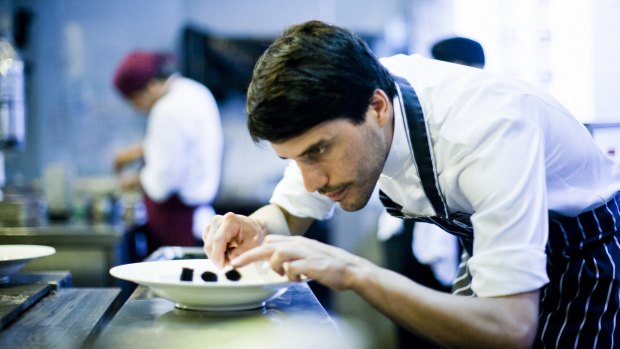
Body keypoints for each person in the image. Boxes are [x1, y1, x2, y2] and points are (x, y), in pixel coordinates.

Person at [202, 20, 620, 348]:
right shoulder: (350, 101)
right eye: (293, 159)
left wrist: (354, 271)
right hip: (492, 243)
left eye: (317, 152)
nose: (310, 181)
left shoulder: (487, 131)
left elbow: (510, 329)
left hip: (585, 255)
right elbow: (288, 214)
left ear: (378, 108)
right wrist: (256, 227)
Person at [376, 35, 485, 349]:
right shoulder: (412, 99)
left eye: (476, 72)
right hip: (405, 230)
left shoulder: (482, 114)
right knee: (412, 323)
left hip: (458, 229)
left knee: (454, 320)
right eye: (463, 71)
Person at [113, 51, 223, 256]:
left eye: (136, 100)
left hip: (177, 222)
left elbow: (162, 184)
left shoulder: (166, 110)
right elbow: (180, 146)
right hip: (197, 218)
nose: (138, 109)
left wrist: (136, 178)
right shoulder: (194, 91)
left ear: (152, 85)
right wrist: (139, 150)